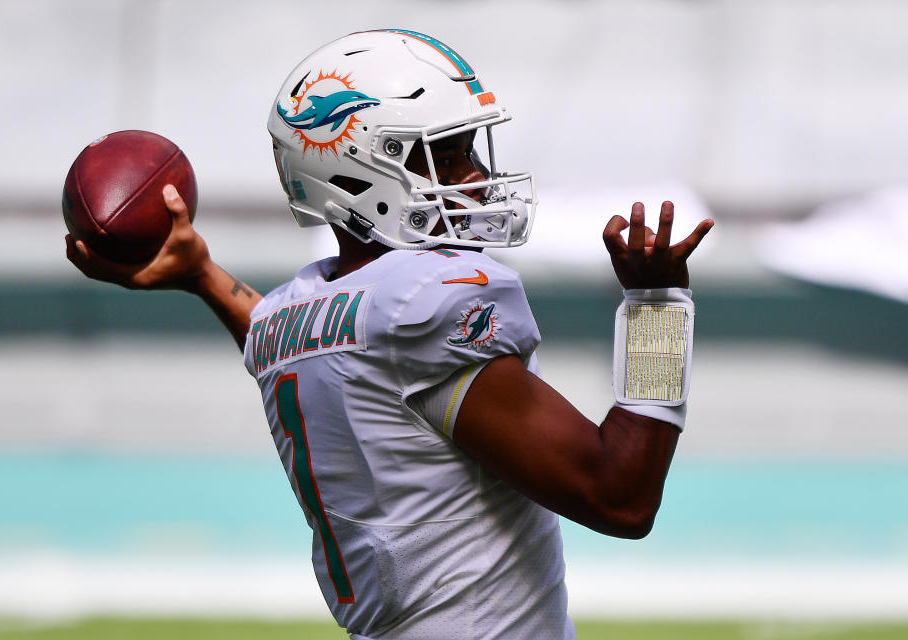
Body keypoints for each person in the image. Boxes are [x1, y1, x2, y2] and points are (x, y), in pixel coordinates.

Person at [67, 29, 713, 640]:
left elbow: (292, 333)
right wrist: (657, 305)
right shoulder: (425, 302)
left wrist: (202, 275)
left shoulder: (291, 320)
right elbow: (620, 496)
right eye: (445, 156)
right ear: (357, 177)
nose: (473, 177)